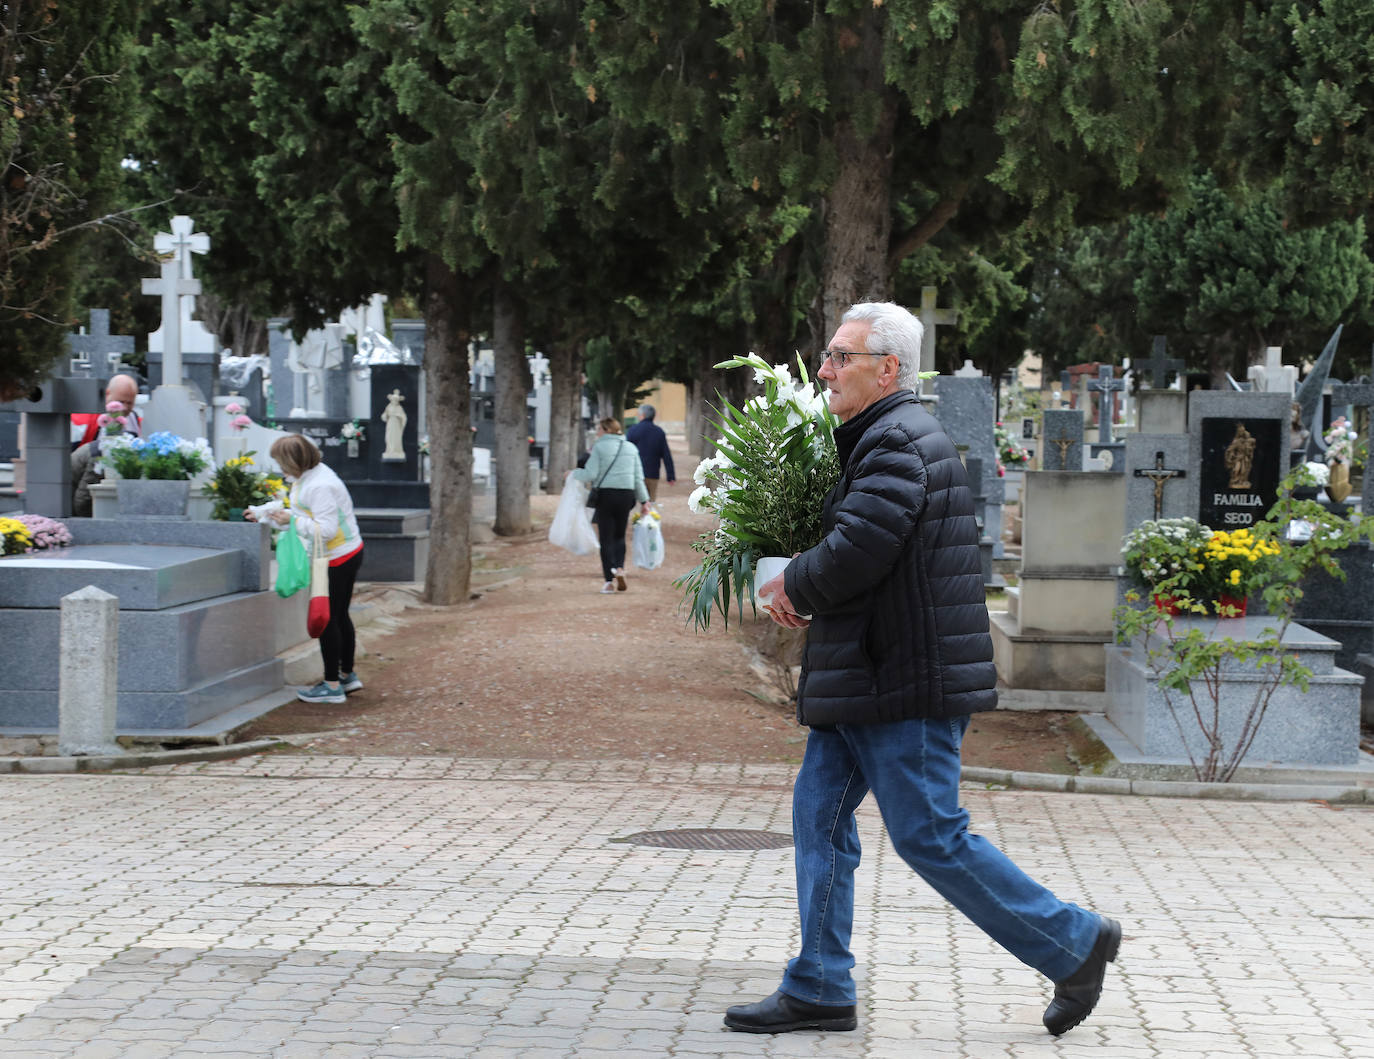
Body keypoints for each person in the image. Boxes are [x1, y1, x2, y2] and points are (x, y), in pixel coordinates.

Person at [727, 302, 1120, 1038]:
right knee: (818, 815)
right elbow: (870, 556)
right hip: (868, 677)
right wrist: (809, 586)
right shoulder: (879, 436)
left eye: (842, 356)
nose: (825, 368)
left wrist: (794, 584)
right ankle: (819, 983)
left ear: (889, 368)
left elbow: (859, 548)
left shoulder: (898, 441)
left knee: (930, 835)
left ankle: (1073, 941)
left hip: (901, 683)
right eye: (829, 355)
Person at [247, 435, 365, 704]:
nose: (280, 468)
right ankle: (347, 676)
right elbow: (305, 515)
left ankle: (332, 686)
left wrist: (291, 519)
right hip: (346, 551)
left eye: (281, 462)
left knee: (326, 620)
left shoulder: (320, 485)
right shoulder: (314, 475)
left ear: (293, 461)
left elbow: (324, 530)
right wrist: (266, 512)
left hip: (335, 557)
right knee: (339, 616)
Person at [570, 416, 649, 593]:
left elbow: (591, 473)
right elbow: (638, 478)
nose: (597, 433)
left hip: (606, 495)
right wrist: (644, 501)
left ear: (606, 430)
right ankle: (620, 568)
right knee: (620, 535)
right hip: (626, 496)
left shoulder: (599, 447)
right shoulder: (631, 448)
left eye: (599, 429)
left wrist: (573, 473)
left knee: (606, 538)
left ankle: (608, 582)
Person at [70, 374, 143, 516]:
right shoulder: (85, 418)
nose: (126, 408)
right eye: (121, 401)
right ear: (108, 394)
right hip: (84, 475)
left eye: (130, 403)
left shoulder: (136, 421)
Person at [625, 403, 675, 501]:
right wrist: (670, 475)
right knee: (650, 502)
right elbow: (666, 454)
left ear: (642, 415)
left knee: (634, 501)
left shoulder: (632, 430)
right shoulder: (659, 432)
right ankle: (648, 516)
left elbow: (626, 452)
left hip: (635, 473)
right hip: (653, 473)